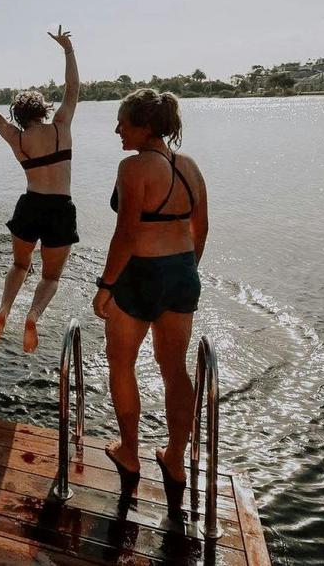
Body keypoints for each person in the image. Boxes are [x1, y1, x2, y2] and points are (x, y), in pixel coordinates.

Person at [91, 89, 209, 510]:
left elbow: (126, 233)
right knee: (175, 369)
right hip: (182, 272)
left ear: (144, 126)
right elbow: (201, 229)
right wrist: (185, 270)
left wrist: (106, 286)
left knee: (121, 362)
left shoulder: (133, 167)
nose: (117, 130)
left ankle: (129, 451)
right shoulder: (190, 166)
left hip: (139, 274)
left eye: (123, 122)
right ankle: (174, 459)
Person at [0, 26, 79, 352]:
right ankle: (33, 315)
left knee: (21, 265)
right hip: (60, 207)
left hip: (30, 205)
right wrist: (67, 49)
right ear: (43, 109)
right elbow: (72, 88)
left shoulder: (17, 139)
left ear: (20, 116)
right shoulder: (61, 127)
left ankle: (5, 308)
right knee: (50, 277)